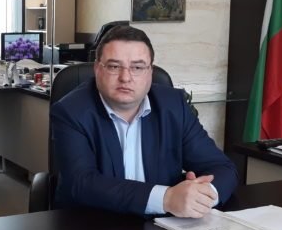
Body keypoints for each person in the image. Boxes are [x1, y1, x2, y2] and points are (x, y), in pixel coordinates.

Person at [52, 25, 238, 218]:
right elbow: (82, 183)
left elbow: (223, 168)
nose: (126, 78)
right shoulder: (71, 111)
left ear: (150, 72)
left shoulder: (173, 106)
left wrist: (201, 197)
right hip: (93, 225)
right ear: (97, 69)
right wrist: (166, 198)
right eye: (114, 66)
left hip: (161, 226)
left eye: (137, 67)